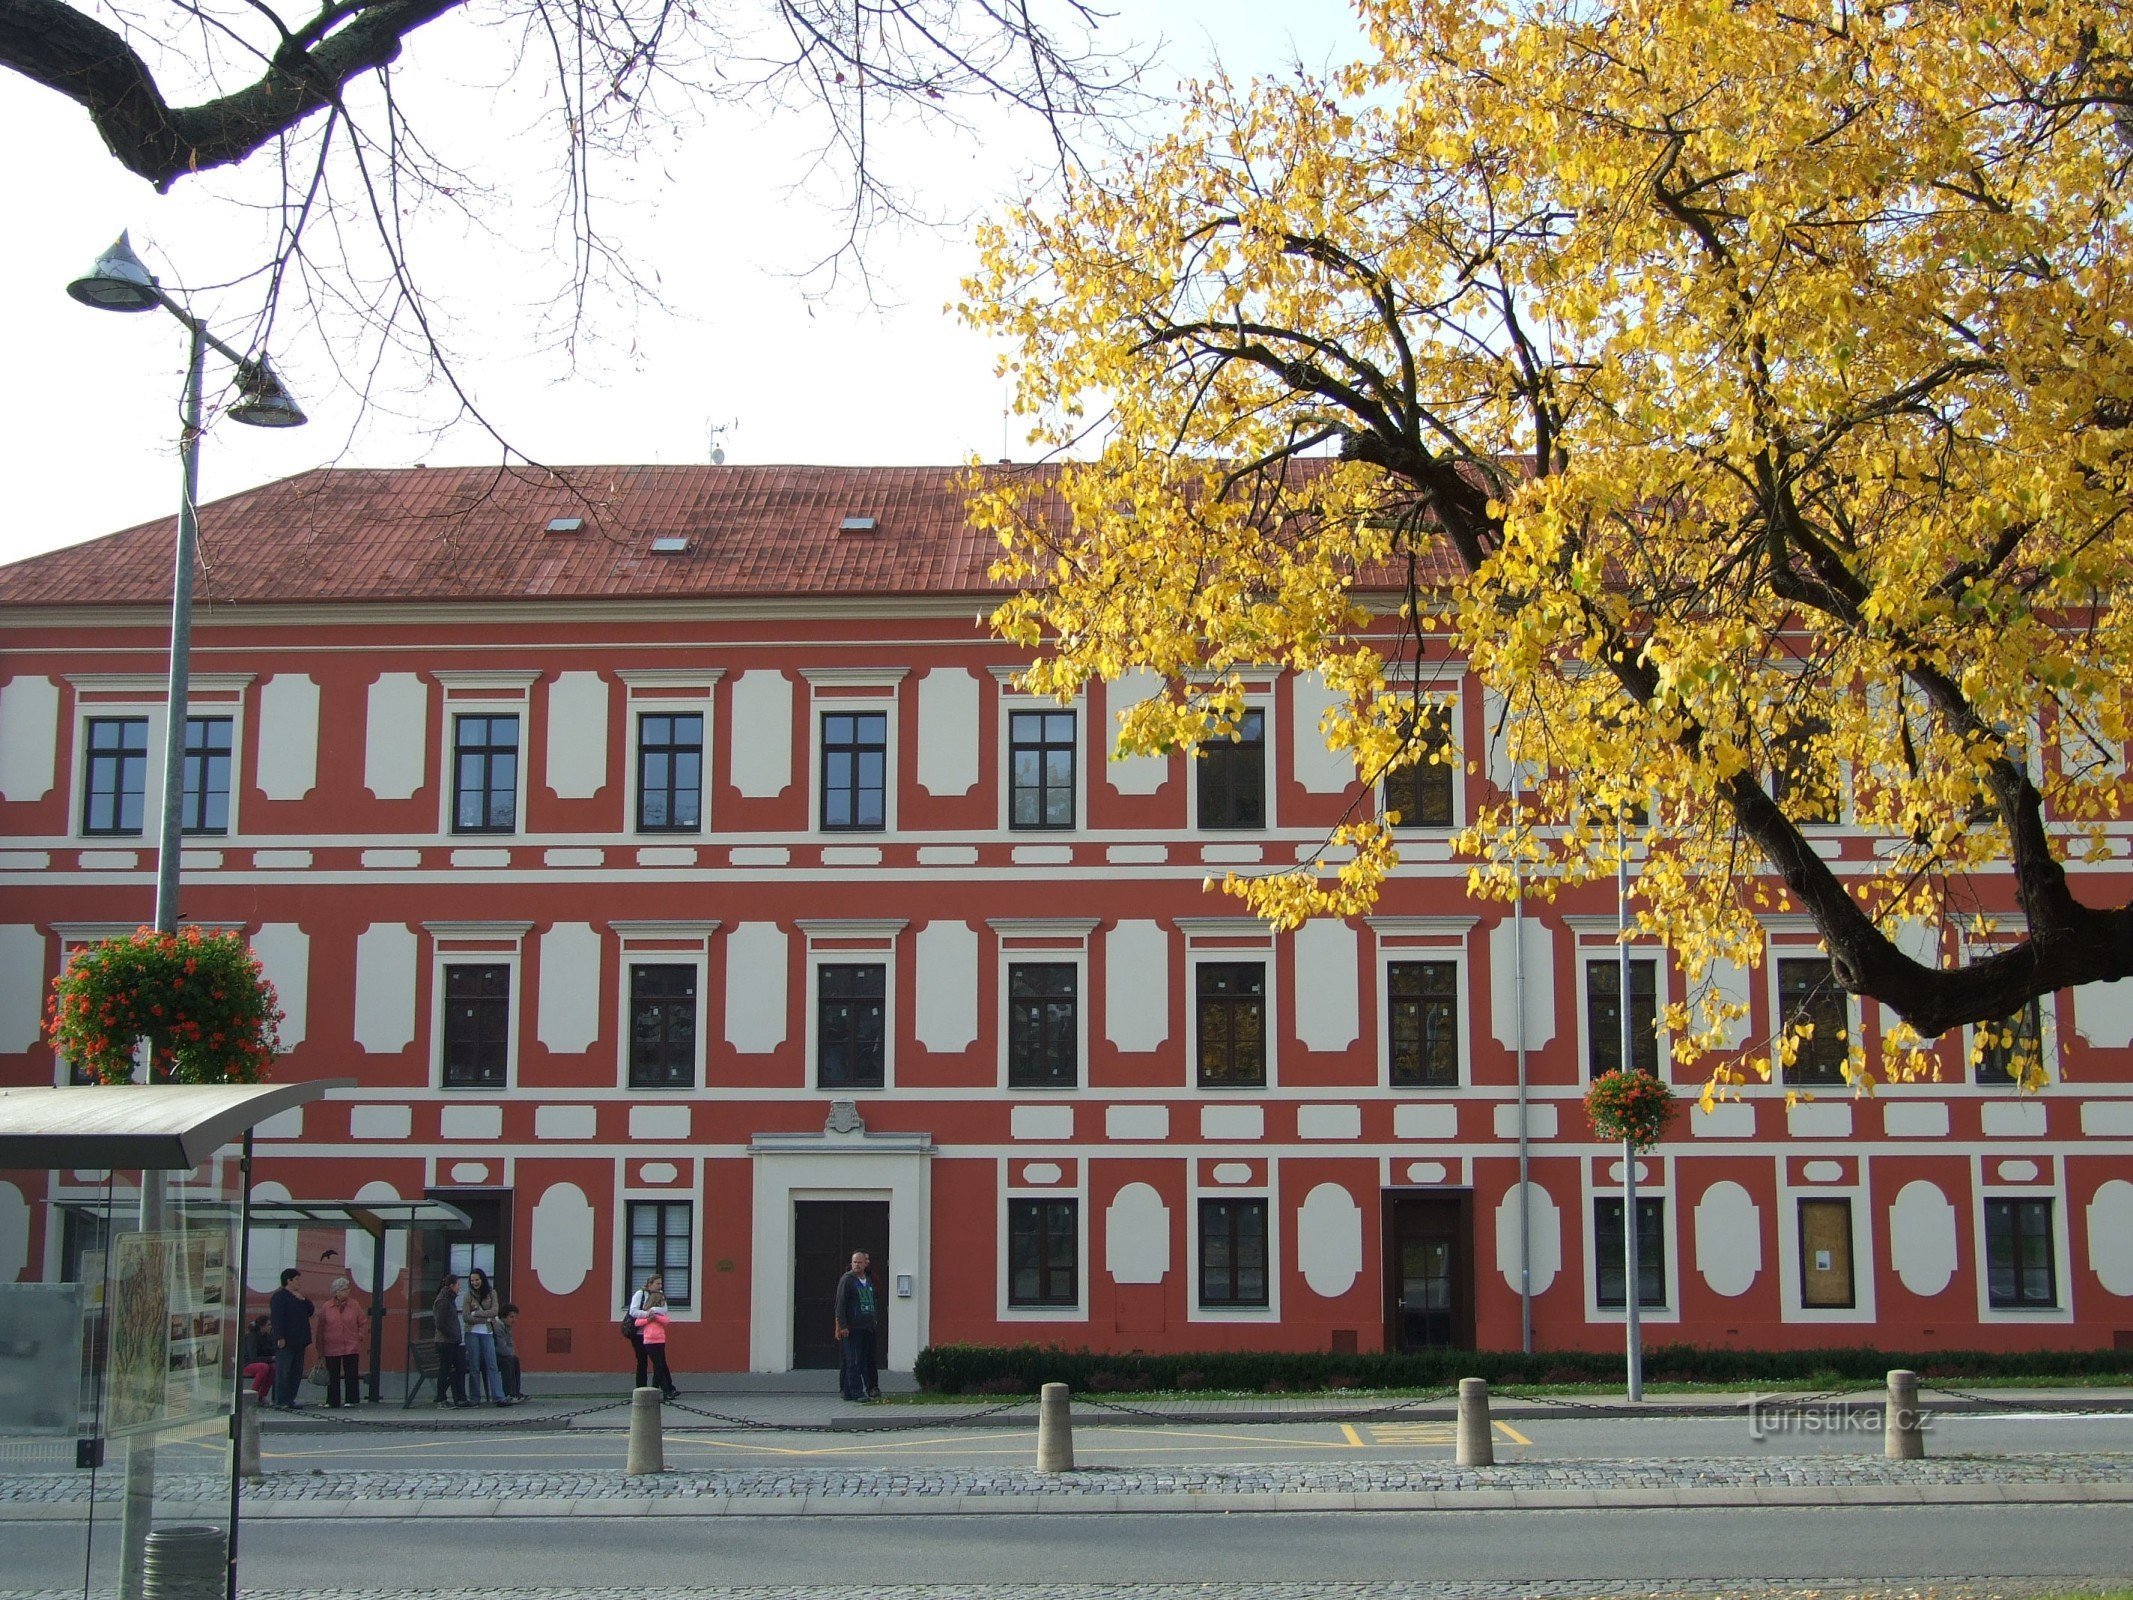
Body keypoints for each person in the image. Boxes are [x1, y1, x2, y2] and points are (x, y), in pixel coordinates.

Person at [833, 1250, 881, 1402]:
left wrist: (874, 1319)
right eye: (855, 1262)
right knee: (852, 1360)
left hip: (867, 1326)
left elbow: (874, 1300)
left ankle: (848, 1391)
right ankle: (856, 1392)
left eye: (860, 1262)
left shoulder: (868, 1280)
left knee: (864, 1360)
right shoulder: (847, 1280)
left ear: (865, 1264)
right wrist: (843, 1325)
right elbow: (840, 1304)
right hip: (853, 1327)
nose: (857, 1265)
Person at [313, 1277, 368, 1408]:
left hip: (350, 1344)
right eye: (344, 1289)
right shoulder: (327, 1306)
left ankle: (351, 1399)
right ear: (336, 1292)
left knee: (351, 1373)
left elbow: (363, 1323)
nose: (347, 1291)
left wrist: (358, 1336)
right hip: (331, 1345)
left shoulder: (354, 1305)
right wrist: (320, 1349)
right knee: (333, 1374)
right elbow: (321, 1327)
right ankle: (332, 1400)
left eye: (348, 1289)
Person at [267, 1267, 314, 1410]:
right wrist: (280, 1336)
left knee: (296, 1371)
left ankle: (290, 1398)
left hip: (300, 1340)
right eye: (297, 1279)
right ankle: (281, 1400)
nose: (299, 1282)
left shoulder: (298, 1296)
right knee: (284, 1370)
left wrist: (304, 1299)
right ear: (289, 1280)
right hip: (286, 1341)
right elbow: (277, 1318)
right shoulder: (279, 1296)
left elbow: (310, 1311)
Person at [461, 1266, 506, 1405]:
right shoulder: (468, 1295)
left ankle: (499, 1397)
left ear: (482, 1279)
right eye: (472, 1280)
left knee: (492, 1365)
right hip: (472, 1333)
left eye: (477, 1279)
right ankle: (475, 1398)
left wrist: (477, 1313)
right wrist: (485, 1319)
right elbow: (466, 1317)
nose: (474, 1283)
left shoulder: (492, 1293)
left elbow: (495, 1311)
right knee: (474, 1366)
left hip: (487, 1332)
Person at [631, 1273, 677, 1399]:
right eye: (657, 1283)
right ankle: (641, 1389)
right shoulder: (640, 1294)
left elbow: (664, 1310)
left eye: (661, 1283)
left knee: (660, 1363)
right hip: (639, 1334)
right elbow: (633, 1311)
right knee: (642, 1362)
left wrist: (654, 1312)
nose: (660, 1286)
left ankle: (666, 1387)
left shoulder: (660, 1295)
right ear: (650, 1284)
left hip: (655, 1336)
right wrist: (647, 1315)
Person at [432, 1273, 468, 1407]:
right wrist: (453, 1335)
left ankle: (460, 1397)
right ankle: (441, 1399)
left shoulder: (449, 1299)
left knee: (460, 1367)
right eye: (458, 1284)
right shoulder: (443, 1300)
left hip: (452, 1341)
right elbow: (440, 1323)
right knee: (445, 1370)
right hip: (445, 1342)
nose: (459, 1287)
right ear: (451, 1285)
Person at [241, 1315, 276, 1404]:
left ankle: (262, 1395)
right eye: (268, 1325)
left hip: (262, 1362)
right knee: (263, 1367)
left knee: (273, 1367)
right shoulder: (252, 1337)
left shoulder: (267, 1337)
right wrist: (271, 1358)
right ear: (262, 1326)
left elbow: (271, 1350)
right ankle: (253, 1394)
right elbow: (253, 1358)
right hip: (247, 1363)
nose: (270, 1327)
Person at [495, 1303, 525, 1402]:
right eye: (511, 1317)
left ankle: (516, 1391)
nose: (514, 1320)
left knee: (514, 1360)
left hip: (502, 1355)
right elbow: (500, 1347)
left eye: (515, 1317)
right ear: (504, 1316)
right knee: (508, 1361)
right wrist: (510, 1354)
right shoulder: (498, 1327)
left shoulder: (507, 1327)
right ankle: (508, 1393)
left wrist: (511, 1354)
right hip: (493, 1355)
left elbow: (510, 1343)